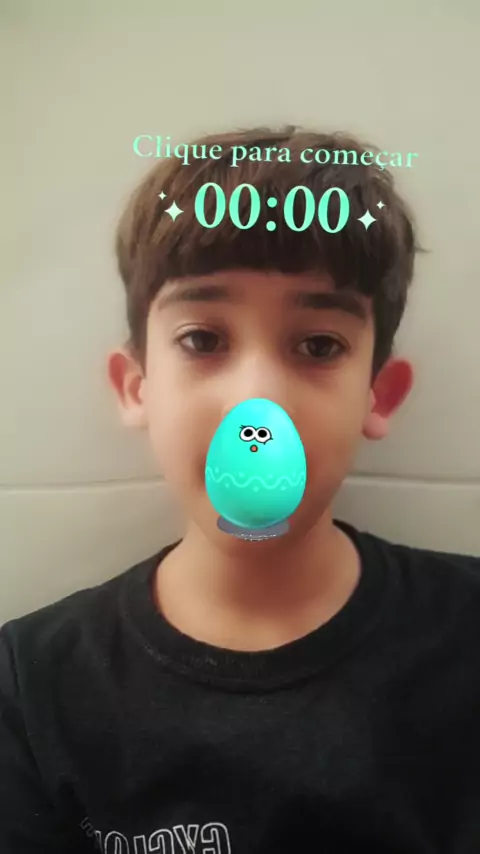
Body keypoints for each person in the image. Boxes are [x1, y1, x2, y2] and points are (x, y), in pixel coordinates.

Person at [1, 124, 479, 854]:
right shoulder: (30, 688)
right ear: (136, 386)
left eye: (318, 345)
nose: (257, 401)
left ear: (377, 396)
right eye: (203, 339)